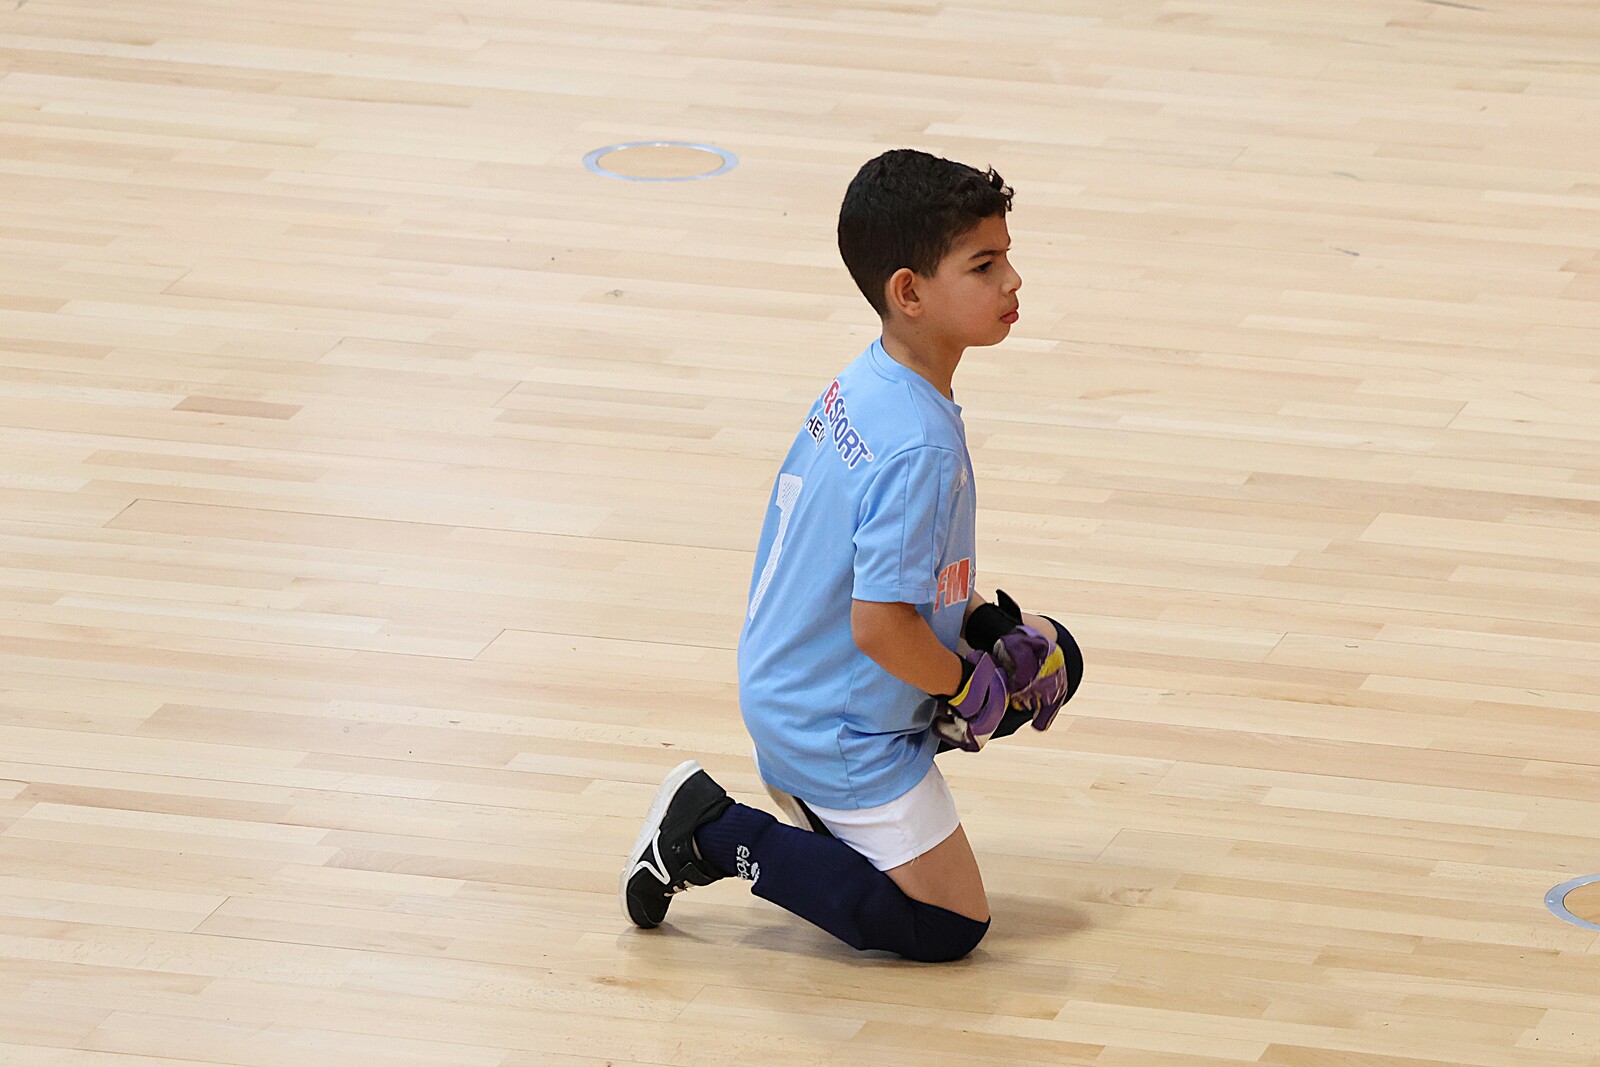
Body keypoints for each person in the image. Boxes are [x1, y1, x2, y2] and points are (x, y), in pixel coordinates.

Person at [621, 149, 1083, 962]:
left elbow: (889, 569)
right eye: (984, 266)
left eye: (1007, 256)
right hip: (829, 723)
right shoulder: (919, 446)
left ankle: (857, 795)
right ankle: (709, 828)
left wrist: (985, 626)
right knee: (949, 926)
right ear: (909, 292)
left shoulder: (876, 382)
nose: (1014, 280)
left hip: (793, 673)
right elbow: (878, 624)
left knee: (1053, 654)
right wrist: (965, 685)